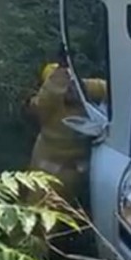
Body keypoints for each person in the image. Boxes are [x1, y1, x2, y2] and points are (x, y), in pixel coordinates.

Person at [28, 49, 108, 204]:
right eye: (62, 85)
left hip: (76, 176)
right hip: (47, 178)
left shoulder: (85, 88)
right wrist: (61, 72)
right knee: (37, 216)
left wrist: (82, 89)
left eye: (70, 82)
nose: (68, 90)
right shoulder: (46, 105)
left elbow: (110, 89)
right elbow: (47, 96)